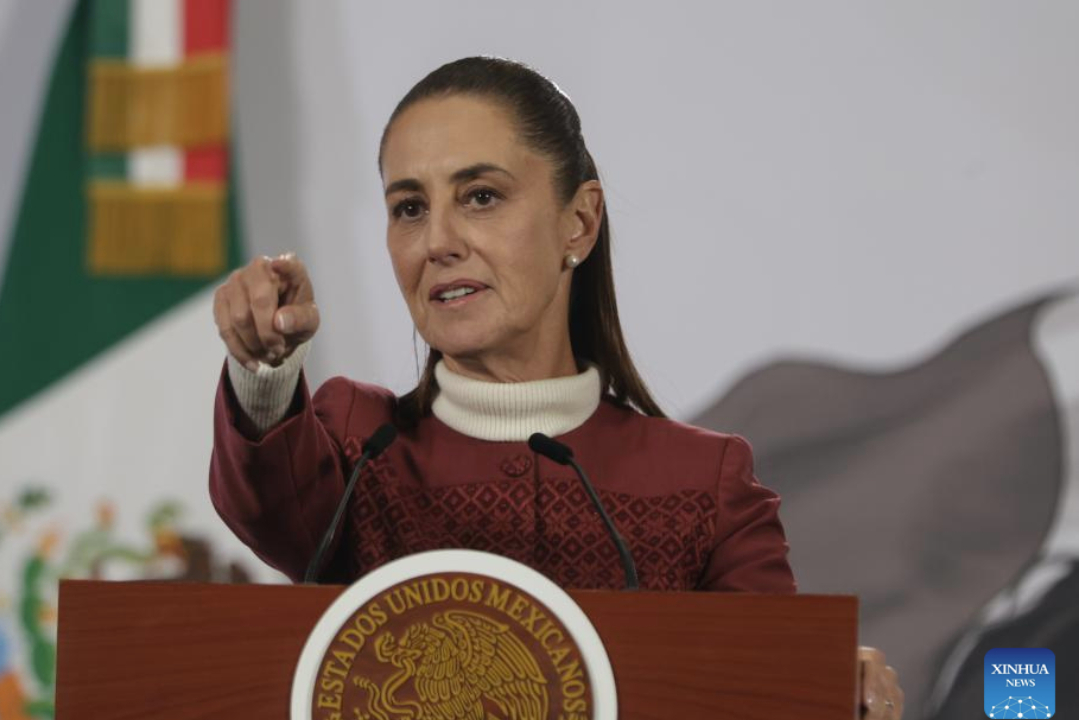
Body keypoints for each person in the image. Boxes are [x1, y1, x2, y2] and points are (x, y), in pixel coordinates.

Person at [209, 56, 903, 717]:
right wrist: (263, 365)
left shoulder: (706, 484)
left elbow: (769, 688)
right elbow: (268, 502)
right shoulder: (357, 447)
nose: (438, 241)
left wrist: (834, 689)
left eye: (481, 197)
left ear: (579, 221)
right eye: (410, 208)